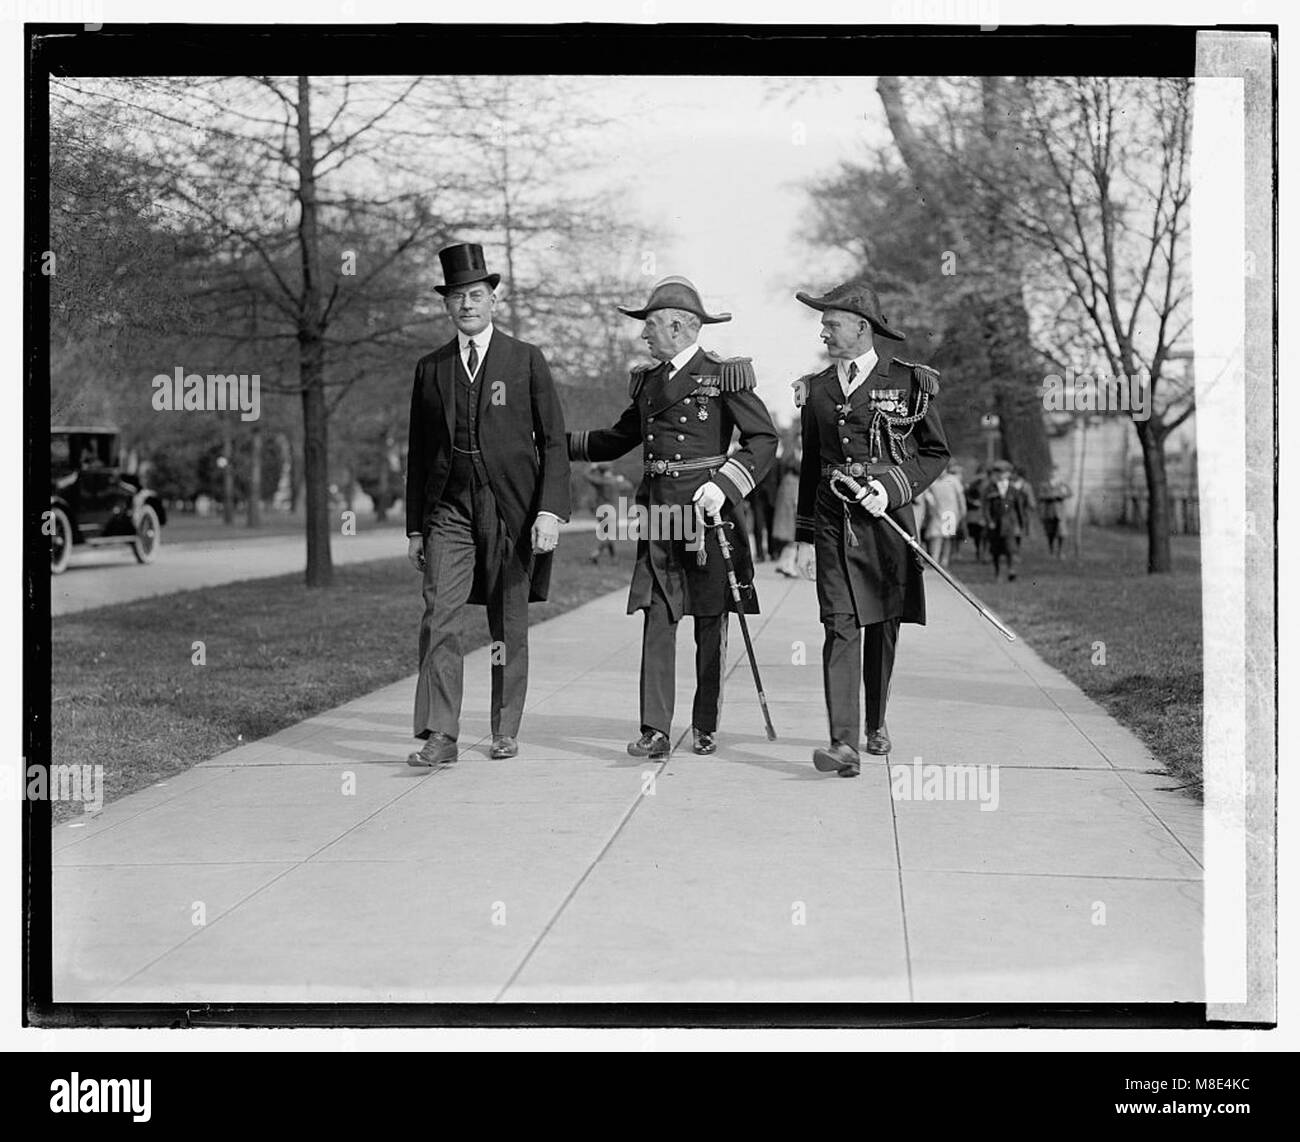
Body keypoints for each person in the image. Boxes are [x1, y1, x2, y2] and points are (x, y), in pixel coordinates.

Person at [567, 276, 778, 758]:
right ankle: (655, 729)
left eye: (651, 326)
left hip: (708, 515)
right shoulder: (648, 382)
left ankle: (704, 724)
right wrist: (555, 443)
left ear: (680, 326)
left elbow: (764, 440)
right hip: (660, 513)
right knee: (658, 614)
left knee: (709, 618)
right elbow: (617, 439)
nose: (644, 335)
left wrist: (724, 484)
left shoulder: (724, 376)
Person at [404, 243, 570, 765]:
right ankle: (441, 733)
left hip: (510, 510)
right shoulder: (431, 368)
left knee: (508, 622)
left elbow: (555, 442)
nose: (466, 305)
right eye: (456, 297)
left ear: (493, 299)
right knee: (440, 617)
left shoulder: (525, 359)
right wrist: (415, 528)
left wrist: (549, 512)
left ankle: (504, 729)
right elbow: (417, 451)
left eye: (475, 295)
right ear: (447, 306)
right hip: (448, 509)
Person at [792, 279, 950, 778]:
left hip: (887, 523)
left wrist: (893, 488)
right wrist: (802, 538)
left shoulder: (908, 382)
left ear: (861, 328)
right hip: (833, 527)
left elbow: (935, 452)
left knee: (882, 624)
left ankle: (875, 721)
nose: (823, 330)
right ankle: (843, 743)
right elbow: (812, 462)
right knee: (838, 624)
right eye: (823, 323)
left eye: (830, 322)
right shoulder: (815, 389)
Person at [983, 459, 1029, 581]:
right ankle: (997, 573)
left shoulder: (1014, 490)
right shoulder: (990, 489)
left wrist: (1021, 523)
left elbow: (1019, 508)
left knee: (1010, 548)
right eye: (997, 472)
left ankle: (1011, 569)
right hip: (995, 523)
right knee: (996, 550)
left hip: (1010, 523)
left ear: (1009, 474)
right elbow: (986, 508)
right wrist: (989, 521)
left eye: (1003, 472)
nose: (1000, 475)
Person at [922, 460, 967, 568]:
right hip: (937, 512)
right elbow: (927, 495)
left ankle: (944, 560)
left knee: (947, 537)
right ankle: (934, 559)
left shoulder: (953, 480)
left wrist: (962, 510)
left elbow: (960, 497)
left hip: (950, 512)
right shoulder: (933, 481)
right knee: (935, 536)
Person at [583, 461, 629, 563]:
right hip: (612, 511)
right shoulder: (615, 481)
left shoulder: (600, 481)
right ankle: (596, 553)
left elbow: (586, 475)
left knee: (607, 535)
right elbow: (628, 486)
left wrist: (592, 468)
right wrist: (621, 479)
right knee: (610, 535)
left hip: (601, 511)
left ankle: (614, 557)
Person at [772, 443, 802, 577]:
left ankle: (784, 563)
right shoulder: (792, 479)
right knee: (794, 536)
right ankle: (787, 564)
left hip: (789, 501)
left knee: (793, 537)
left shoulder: (787, 479)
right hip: (792, 503)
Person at [1037, 466, 1072, 558]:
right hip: (1049, 511)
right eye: (1051, 472)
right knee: (1050, 532)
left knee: (1061, 532)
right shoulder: (1044, 485)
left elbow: (1069, 493)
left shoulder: (1062, 484)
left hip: (1060, 511)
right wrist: (1050, 496)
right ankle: (1051, 549)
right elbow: (1040, 496)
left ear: (1058, 473)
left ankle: (1060, 551)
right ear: (1048, 474)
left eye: (1055, 472)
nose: (1053, 474)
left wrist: (1061, 495)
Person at [965, 465, 988, 562]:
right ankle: (979, 552)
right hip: (975, 514)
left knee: (985, 535)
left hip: (984, 513)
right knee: (977, 536)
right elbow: (968, 496)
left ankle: (984, 553)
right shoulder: (973, 485)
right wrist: (974, 502)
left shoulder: (989, 485)